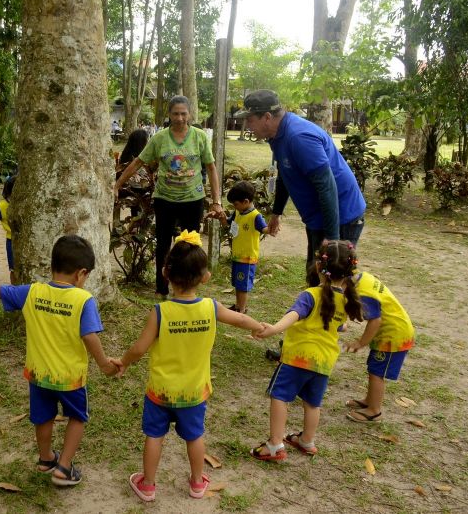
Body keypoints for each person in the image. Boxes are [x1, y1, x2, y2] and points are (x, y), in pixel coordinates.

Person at [0, 234, 120, 486]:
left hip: (38, 375)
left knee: (43, 416)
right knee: (77, 417)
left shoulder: (32, 292)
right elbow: (89, 336)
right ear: (81, 273)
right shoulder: (83, 301)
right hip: (71, 378)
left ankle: (45, 458)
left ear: (52, 266)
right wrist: (105, 363)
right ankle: (64, 468)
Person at [116, 231, 264, 501]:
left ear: (165, 273)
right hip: (194, 392)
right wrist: (259, 327)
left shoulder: (160, 313)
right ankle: (197, 483)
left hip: (160, 392)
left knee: (154, 436)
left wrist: (123, 362)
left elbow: (139, 348)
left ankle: (148, 484)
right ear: (205, 277)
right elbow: (240, 320)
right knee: (194, 437)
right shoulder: (211, 307)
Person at [250, 240, 362, 461]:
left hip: (297, 359)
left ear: (319, 267)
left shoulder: (310, 295)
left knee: (279, 396)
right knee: (312, 403)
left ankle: (275, 445)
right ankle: (307, 440)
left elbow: (294, 316)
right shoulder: (345, 300)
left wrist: (273, 329)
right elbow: (341, 325)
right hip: (324, 362)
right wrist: (344, 325)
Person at [235, 90, 366, 273]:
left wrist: (333, 241)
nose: (247, 125)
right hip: (318, 217)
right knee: (315, 275)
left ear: (266, 117)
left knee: (332, 277)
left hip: (341, 216)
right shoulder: (277, 136)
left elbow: (327, 188)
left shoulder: (299, 137)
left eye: (249, 119)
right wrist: (277, 212)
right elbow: (285, 174)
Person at [115, 95, 223, 298]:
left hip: (193, 199)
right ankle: (161, 288)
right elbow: (138, 162)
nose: (180, 118)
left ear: (189, 114)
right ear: (169, 114)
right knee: (163, 244)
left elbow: (211, 168)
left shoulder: (199, 137)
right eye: (176, 113)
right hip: (165, 200)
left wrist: (217, 201)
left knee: (191, 245)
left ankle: (188, 288)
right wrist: (117, 184)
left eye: (183, 113)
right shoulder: (159, 138)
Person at [343, 269, 415, 423]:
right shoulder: (363, 278)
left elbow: (375, 320)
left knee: (377, 373)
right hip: (391, 333)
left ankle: (374, 411)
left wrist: (361, 343)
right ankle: (369, 401)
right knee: (373, 368)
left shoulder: (364, 293)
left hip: (393, 337)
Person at [209, 181, 269, 314]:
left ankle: (241, 310)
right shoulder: (238, 212)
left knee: (243, 285)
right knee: (237, 283)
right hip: (237, 255)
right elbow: (228, 225)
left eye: (236, 204)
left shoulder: (255, 216)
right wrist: (221, 218)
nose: (234, 207)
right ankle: (238, 306)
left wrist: (271, 228)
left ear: (246, 201)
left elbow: (264, 229)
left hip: (247, 258)